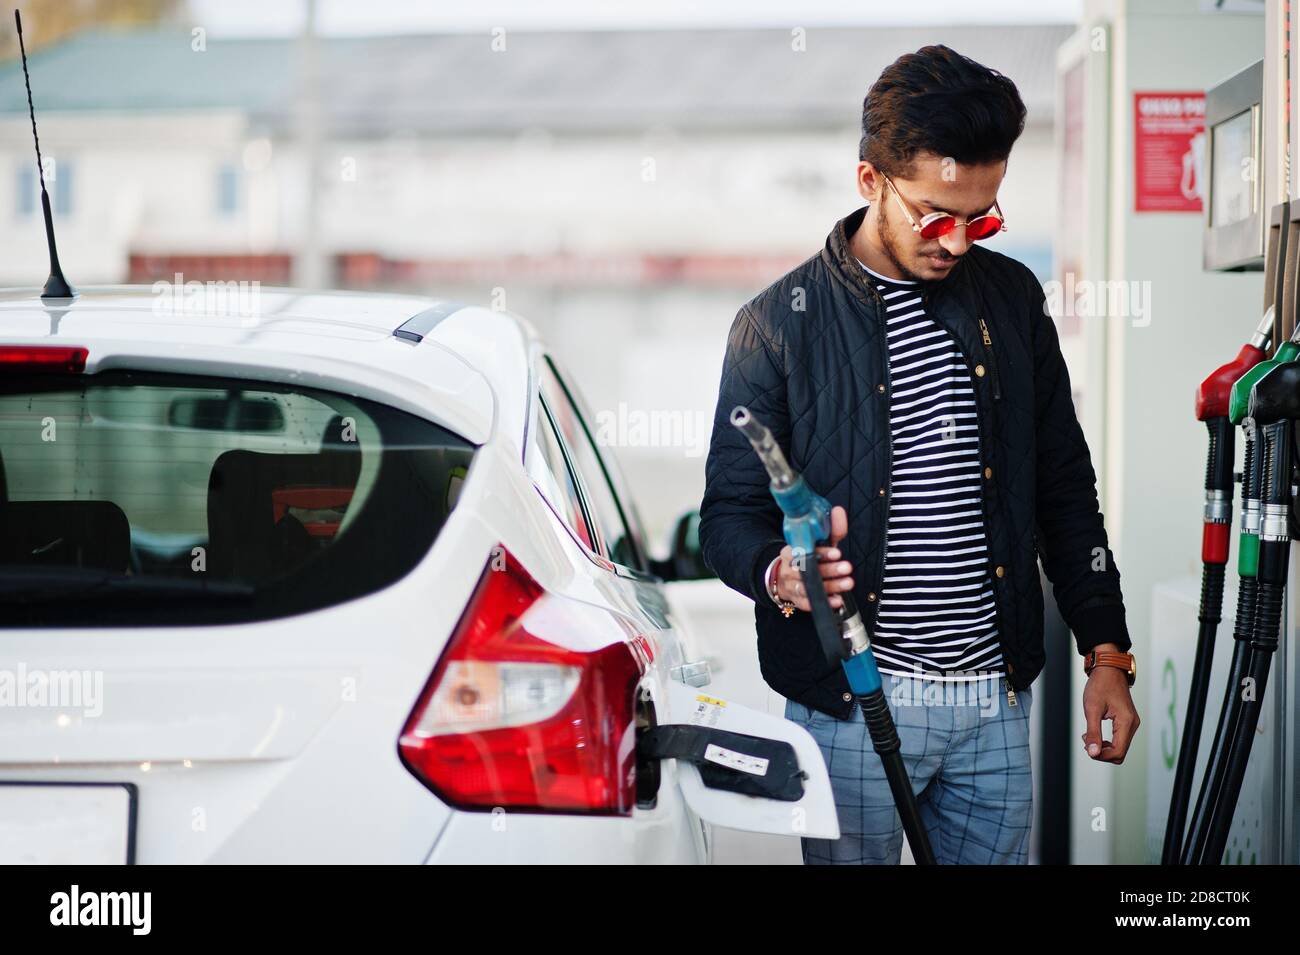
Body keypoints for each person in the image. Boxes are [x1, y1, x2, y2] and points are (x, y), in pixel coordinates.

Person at [698, 44, 1140, 865]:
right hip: (851, 706)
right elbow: (726, 516)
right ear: (871, 181)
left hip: (992, 704)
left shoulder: (1010, 303)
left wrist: (1106, 650)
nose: (961, 241)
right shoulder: (776, 325)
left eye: (986, 217)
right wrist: (779, 573)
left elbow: (1065, 492)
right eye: (937, 216)